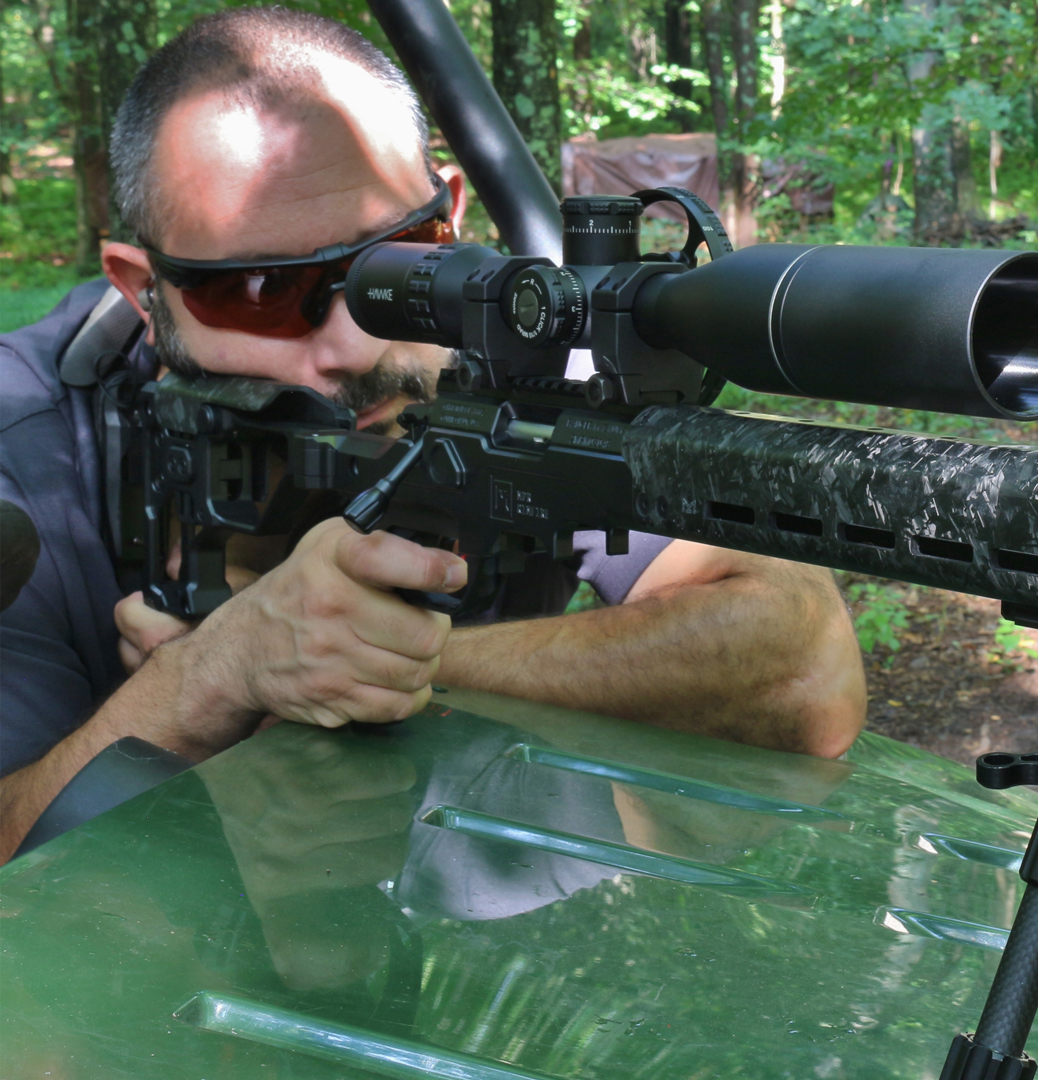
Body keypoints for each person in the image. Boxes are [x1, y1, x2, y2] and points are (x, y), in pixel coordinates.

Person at [0, 6, 866, 861]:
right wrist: (205, 678)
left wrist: (379, 664)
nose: (351, 345)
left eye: (392, 264)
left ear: (449, 218)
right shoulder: (22, 440)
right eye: (258, 291)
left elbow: (801, 670)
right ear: (138, 288)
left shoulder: (528, 360)